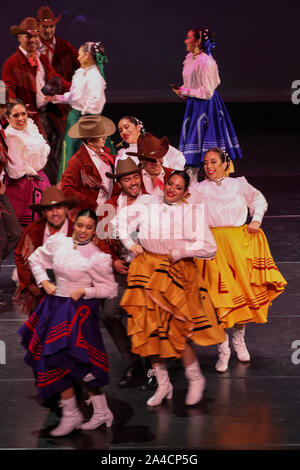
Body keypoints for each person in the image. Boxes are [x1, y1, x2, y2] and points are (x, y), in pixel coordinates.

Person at [112, 170, 226, 407]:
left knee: (176, 332)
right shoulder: (147, 204)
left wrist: (182, 251)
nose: (172, 189)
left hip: (175, 271)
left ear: (186, 192)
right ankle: (164, 384)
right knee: (150, 331)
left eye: (178, 187)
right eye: (170, 184)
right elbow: (116, 223)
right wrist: (131, 243)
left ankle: (195, 379)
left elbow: (209, 247)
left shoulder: (190, 213)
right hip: (147, 270)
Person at [18, 208, 118, 436]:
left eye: (88, 227)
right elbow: (34, 259)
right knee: (55, 360)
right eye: (80, 225)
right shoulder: (58, 242)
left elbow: (110, 289)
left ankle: (101, 411)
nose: (82, 231)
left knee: (83, 364)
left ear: (94, 231)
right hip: (56, 307)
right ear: (75, 223)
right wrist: (44, 282)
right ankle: (71, 414)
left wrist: (86, 291)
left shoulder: (97, 256)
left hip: (81, 312)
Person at [193, 148, 287, 372]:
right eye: (205, 163)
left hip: (238, 246)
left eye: (214, 162)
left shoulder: (239, 185)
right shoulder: (198, 188)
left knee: (240, 294)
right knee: (218, 297)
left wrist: (256, 220)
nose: (209, 167)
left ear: (226, 163)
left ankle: (239, 341)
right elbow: (186, 210)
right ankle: (223, 348)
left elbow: (260, 201)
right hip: (212, 247)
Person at [97, 157, 156, 388]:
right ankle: (132, 361)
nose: (133, 182)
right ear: (119, 182)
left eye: (135, 177)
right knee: (109, 315)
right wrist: (112, 261)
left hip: (147, 269)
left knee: (144, 317)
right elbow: (101, 239)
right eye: (127, 179)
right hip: (122, 270)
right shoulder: (109, 207)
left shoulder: (152, 202)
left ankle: (153, 365)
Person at [1, 17, 70, 184]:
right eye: (28, 36)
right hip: (28, 118)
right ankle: (40, 190)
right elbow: (7, 91)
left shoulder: (41, 59)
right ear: (19, 37)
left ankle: (53, 190)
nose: (33, 40)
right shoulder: (12, 63)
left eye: (35, 36)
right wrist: (12, 112)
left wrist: (75, 90)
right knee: (34, 155)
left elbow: (55, 78)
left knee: (55, 154)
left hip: (49, 114)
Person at [172, 28, 242, 180]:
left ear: (197, 42)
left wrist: (186, 91)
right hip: (195, 106)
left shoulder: (205, 61)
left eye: (188, 37)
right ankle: (191, 187)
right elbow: (196, 86)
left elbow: (208, 92)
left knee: (205, 150)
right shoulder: (192, 58)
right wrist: (184, 91)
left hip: (206, 109)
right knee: (192, 154)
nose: (185, 40)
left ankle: (214, 188)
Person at [45, 41, 115, 181]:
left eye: (80, 54)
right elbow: (74, 96)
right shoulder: (80, 73)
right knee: (70, 150)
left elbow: (95, 102)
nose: (77, 58)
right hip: (75, 117)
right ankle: (69, 182)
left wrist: (83, 113)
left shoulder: (95, 76)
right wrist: (56, 97)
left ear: (87, 56)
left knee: (86, 150)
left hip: (86, 119)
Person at [13, 186, 76, 315]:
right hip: (41, 289)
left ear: (66, 209)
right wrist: (30, 285)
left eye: (58, 208)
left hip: (71, 291)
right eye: (49, 209)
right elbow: (20, 255)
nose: (55, 213)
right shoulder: (34, 230)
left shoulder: (76, 230)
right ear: (43, 212)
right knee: (39, 330)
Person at [59, 115, 116, 221]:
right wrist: (92, 205)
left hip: (109, 212)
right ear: (90, 140)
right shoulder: (77, 160)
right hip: (91, 215)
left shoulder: (105, 154)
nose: (105, 137)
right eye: (101, 135)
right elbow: (66, 190)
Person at [3, 99, 51, 226]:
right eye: (16, 115)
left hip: (39, 178)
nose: (21, 118)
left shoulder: (31, 128)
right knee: (29, 224)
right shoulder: (11, 136)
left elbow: (43, 151)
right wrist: (29, 170)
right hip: (23, 185)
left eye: (23, 114)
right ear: (7, 118)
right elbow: (15, 169)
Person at [116, 116, 185, 170]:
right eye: (120, 130)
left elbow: (179, 157)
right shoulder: (123, 154)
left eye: (127, 127)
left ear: (138, 127)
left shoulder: (155, 145)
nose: (124, 132)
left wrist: (172, 178)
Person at [36, 6, 79, 83]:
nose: (48, 30)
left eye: (51, 26)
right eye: (44, 27)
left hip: (62, 93)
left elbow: (81, 66)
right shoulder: (32, 48)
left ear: (55, 26)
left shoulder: (66, 47)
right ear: (38, 27)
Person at [126, 132, 175, 197]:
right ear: (141, 160)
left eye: (159, 157)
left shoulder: (173, 175)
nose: (156, 162)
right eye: (151, 159)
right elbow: (114, 199)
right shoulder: (130, 178)